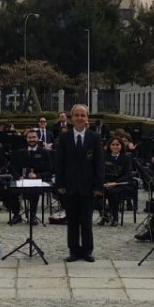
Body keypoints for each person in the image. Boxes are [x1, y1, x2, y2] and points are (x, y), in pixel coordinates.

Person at [54, 104, 104, 262]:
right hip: (69, 186)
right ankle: (74, 250)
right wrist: (60, 184)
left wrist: (98, 186)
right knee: (72, 220)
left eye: (83, 115)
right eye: (76, 115)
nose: (80, 118)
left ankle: (87, 250)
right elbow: (59, 162)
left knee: (87, 221)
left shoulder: (94, 137)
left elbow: (99, 164)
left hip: (89, 187)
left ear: (87, 118)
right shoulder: (64, 137)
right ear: (71, 118)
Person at [7, 128, 51, 225]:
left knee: (34, 191)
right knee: (11, 190)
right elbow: (12, 168)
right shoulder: (20, 152)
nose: (32, 139)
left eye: (34, 137)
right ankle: (16, 214)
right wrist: (19, 177)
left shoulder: (44, 152)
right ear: (26, 139)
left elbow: (49, 170)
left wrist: (37, 175)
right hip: (21, 179)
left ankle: (33, 215)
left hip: (37, 180)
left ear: (38, 138)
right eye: (29, 137)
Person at [100, 138, 133, 226]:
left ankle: (115, 217)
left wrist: (115, 183)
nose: (115, 147)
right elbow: (100, 172)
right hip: (106, 182)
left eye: (117, 145)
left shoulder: (126, 157)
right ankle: (104, 213)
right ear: (109, 146)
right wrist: (105, 182)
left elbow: (128, 174)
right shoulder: (104, 156)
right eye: (113, 145)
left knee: (112, 192)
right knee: (96, 191)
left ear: (121, 146)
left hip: (120, 184)